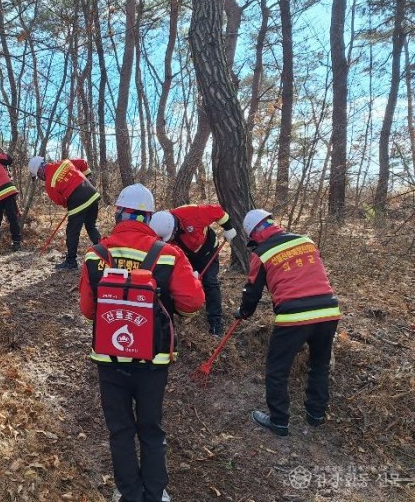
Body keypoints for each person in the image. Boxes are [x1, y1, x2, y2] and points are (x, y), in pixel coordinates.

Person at [79, 184, 205, 502]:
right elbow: (192, 303)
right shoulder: (168, 254)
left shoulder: (97, 254)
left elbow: (88, 310)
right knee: (151, 428)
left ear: (118, 212)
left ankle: (129, 493)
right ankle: (155, 492)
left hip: (109, 358)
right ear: (149, 217)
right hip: (153, 360)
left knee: (120, 430)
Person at [235, 209, 341, 436]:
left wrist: (244, 312)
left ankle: (279, 421)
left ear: (253, 234)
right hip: (329, 310)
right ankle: (315, 414)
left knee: (277, 369)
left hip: (294, 316)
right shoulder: (306, 241)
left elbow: (252, 291)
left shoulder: (261, 253)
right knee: (319, 364)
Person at [149, 204, 237, 336]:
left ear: (175, 227)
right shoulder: (160, 231)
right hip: (186, 256)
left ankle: (215, 322)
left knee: (210, 281)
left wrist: (228, 228)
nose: (170, 240)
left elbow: (218, 212)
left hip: (208, 252)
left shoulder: (192, 213)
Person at [28, 156, 101, 269]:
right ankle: (104, 252)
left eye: (38, 175)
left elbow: (61, 201)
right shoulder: (64, 162)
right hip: (92, 193)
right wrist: (88, 176)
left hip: (77, 200)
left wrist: (70, 203)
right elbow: (82, 163)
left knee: (72, 231)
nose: (40, 178)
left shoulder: (49, 184)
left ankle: (71, 261)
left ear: (39, 171)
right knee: (91, 226)